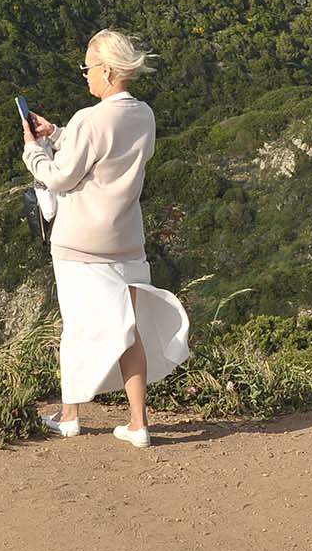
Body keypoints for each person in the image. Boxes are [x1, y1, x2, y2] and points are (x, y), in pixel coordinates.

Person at [21, 29, 191, 447]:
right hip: (126, 239)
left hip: (80, 243)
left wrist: (34, 149)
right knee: (128, 329)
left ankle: (70, 416)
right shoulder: (144, 115)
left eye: (88, 67)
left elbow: (61, 176)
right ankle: (139, 423)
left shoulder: (90, 119)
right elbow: (108, 153)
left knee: (77, 327)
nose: (84, 75)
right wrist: (58, 133)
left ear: (108, 70)